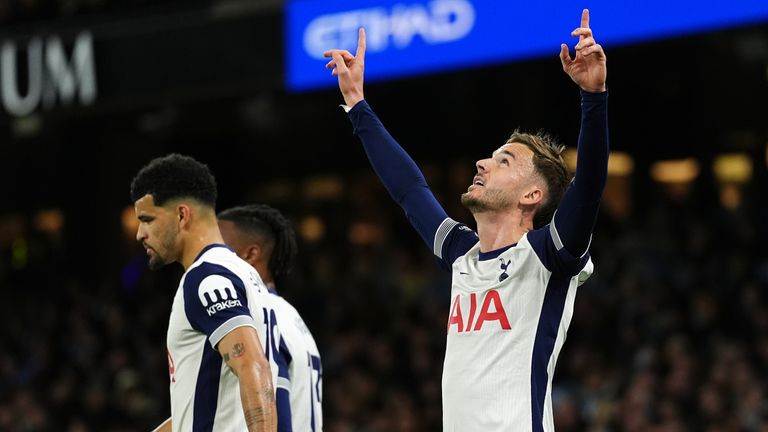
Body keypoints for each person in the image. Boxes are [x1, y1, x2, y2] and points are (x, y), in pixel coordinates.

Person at [324, 9, 608, 431]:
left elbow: (588, 185)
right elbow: (409, 191)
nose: (482, 163)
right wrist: (357, 103)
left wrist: (593, 98)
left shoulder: (548, 254)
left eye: (504, 161)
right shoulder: (462, 253)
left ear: (532, 195)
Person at [130, 154, 278, 432]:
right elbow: (200, 409)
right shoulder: (244, 274)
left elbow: (252, 366)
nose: (140, 233)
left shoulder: (207, 278)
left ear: (182, 215)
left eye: (147, 219)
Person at [218, 204, 323, 432]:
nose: (209, 255)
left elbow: (274, 412)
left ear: (251, 254)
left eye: (219, 246)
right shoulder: (291, 316)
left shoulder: (256, 316)